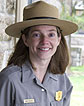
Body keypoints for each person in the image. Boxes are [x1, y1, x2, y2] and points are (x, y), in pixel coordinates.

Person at [0, 1, 78, 106]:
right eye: (36, 35)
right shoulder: (9, 79)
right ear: (25, 39)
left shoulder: (63, 81)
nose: (45, 41)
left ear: (58, 39)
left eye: (51, 34)